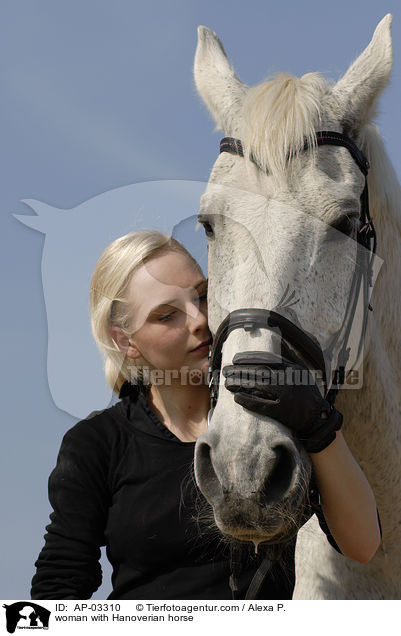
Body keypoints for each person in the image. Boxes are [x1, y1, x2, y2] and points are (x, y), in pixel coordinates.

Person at [30, 230, 381, 600]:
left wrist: (320, 425)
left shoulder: (275, 419)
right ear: (125, 342)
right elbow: (57, 586)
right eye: (167, 315)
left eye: (203, 294)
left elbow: (363, 545)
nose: (199, 319)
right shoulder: (97, 443)